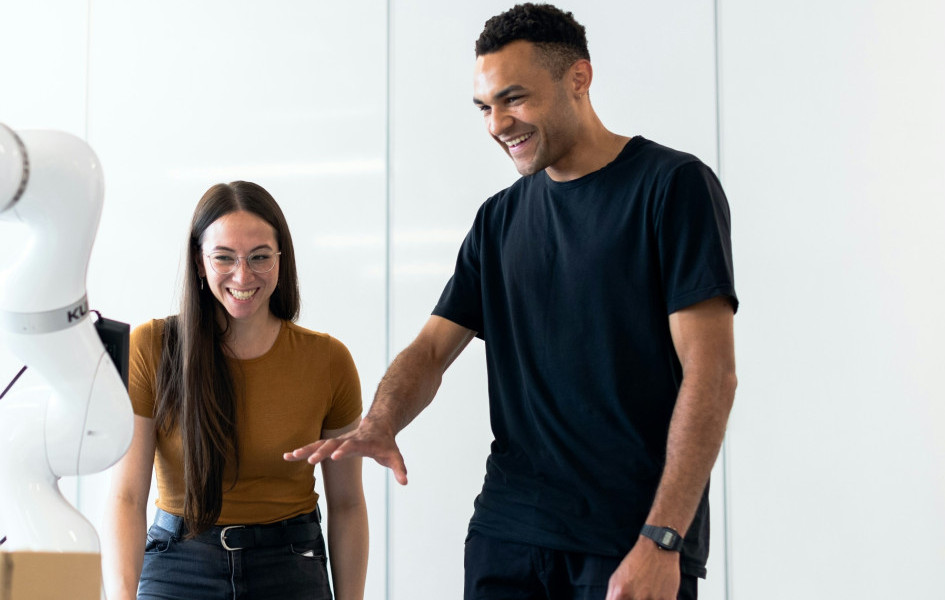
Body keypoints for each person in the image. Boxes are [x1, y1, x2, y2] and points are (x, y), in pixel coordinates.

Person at [287, 4, 737, 600]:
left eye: (514, 98)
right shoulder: (498, 220)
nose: (497, 123)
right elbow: (430, 350)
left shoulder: (671, 188)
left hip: (626, 539)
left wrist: (663, 540)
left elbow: (713, 375)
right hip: (508, 534)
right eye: (484, 107)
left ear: (579, 78)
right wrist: (381, 421)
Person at [104, 181, 368, 600]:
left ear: (281, 259)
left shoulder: (329, 360)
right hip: (179, 564)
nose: (243, 275)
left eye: (260, 257)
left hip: (290, 563)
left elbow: (349, 504)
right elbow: (128, 497)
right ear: (199, 261)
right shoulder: (151, 347)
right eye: (224, 257)